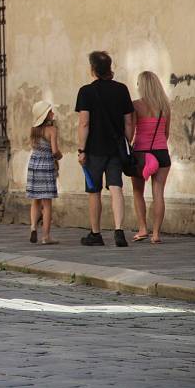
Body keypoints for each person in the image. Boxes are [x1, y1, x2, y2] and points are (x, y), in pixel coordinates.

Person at [76, 51, 134, 247]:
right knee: (116, 187)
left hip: (93, 149)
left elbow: (84, 123)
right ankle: (119, 231)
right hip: (116, 148)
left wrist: (81, 149)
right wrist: (127, 143)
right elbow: (129, 122)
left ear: (93, 69)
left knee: (94, 191)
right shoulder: (122, 90)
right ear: (109, 67)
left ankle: (96, 233)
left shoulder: (86, 92)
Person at [130, 71, 171, 244]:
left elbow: (131, 131)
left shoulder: (136, 105)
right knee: (158, 193)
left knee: (138, 191)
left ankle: (142, 229)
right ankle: (156, 234)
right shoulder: (165, 106)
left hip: (141, 153)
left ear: (143, 86)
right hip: (162, 153)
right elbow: (166, 133)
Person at [26, 101, 62, 245]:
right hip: (46, 166)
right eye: (50, 111)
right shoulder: (52, 130)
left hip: (33, 165)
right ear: (46, 115)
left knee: (35, 200)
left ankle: (33, 227)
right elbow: (54, 151)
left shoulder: (33, 130)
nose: (53, 113)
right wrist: (59, 155)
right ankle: (46, 236)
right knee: (47, 204)